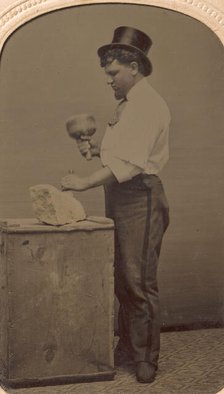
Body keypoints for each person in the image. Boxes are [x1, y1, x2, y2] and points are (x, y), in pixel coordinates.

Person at [61, 26, 171, 384]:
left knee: (139, 280)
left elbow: (130, 165)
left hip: (141, 197)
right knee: (123, 277)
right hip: (124, 196)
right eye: (107, 74)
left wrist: (82, 183)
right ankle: (128, 346)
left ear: (134, 66)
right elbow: (117, 155)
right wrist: (94, 151)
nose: (108, 80)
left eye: (113, 73)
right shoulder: (127, 106)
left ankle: (146, 358)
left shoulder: (148, 105)